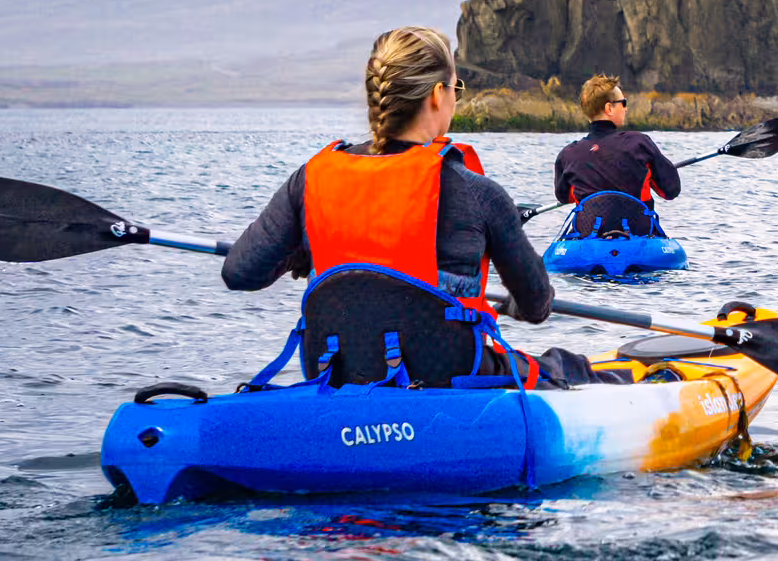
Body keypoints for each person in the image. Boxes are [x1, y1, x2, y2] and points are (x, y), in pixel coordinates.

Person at [223, 26, 594, 387]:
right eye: (455, 88)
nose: (454, 97)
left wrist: (300, 253)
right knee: (568, 365)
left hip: (337, 373)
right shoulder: (479, 193)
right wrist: (513, 304)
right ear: (436, 95)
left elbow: (241, 273)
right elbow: (537, 305)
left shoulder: (309, 180)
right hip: (448, 377)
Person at [551, 75, 681, 236]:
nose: (625, 108)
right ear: (609, 108)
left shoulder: (568, 154)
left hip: (589, 236)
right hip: (637, 234)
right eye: (623, 103)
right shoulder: (639, 144)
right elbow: (670, 190)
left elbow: (565, 197)